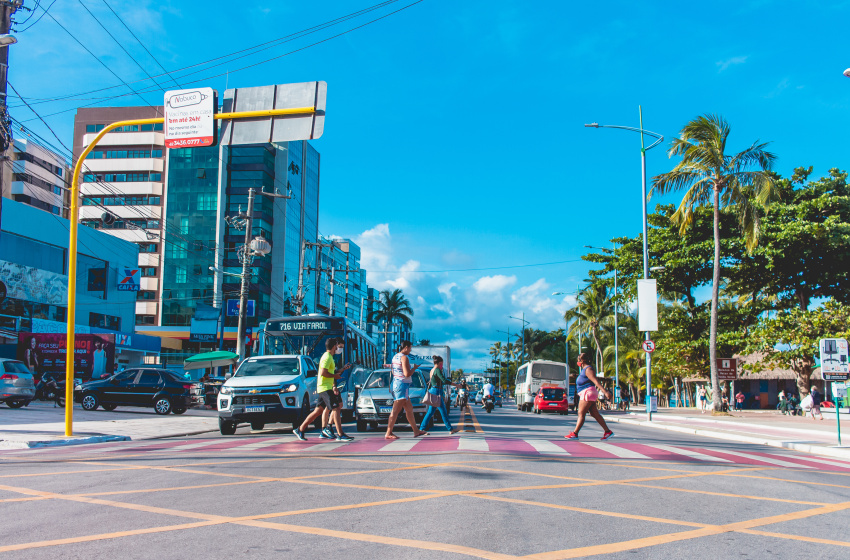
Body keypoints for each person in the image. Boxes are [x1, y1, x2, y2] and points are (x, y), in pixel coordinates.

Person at [293, 338, 353, 442]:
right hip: (325, 388)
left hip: (325, 387)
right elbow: (323, 372)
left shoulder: (330, 357)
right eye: (338, 346)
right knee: (336, 408)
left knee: (318, 411)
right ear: (334, 346)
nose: (339, 348)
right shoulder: (327, 357)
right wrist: (335, 376)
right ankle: (340, 434)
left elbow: (331, 371)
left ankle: (300, 429)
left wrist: (342, 369)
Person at [565, 352, 613, 440]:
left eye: (578, 359)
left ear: (582, 360)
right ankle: (607, 431)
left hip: (587, 393)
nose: (577, 361)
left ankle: (575, 433)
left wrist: (605, 392)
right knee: (594, 413)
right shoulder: (584, 369)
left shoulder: (588, 369)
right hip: (588, 392)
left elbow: (596, 382)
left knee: (581, 413)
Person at [385, 340, 427, 440]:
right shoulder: (404, 357)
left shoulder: (395, 356)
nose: (410, 350)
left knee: (409, 409)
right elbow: (407, 373)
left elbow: (393, 371)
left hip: (397, 384)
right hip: (402, 385)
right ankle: (388, 432)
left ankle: (416, 431)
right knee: (395, 410)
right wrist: (415, 368)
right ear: (406, 347)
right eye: (410, 348)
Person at [419, 356, 459, 433]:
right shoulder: (437, 370)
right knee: (443, 411)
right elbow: (444, 380)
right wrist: (456, 385)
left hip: (433, 390)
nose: (442, 365)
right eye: (441, 364)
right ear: (439, 363)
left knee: (430, 412)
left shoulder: (432, 370)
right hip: (437, 391)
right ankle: (450, 429)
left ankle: (421, 429)